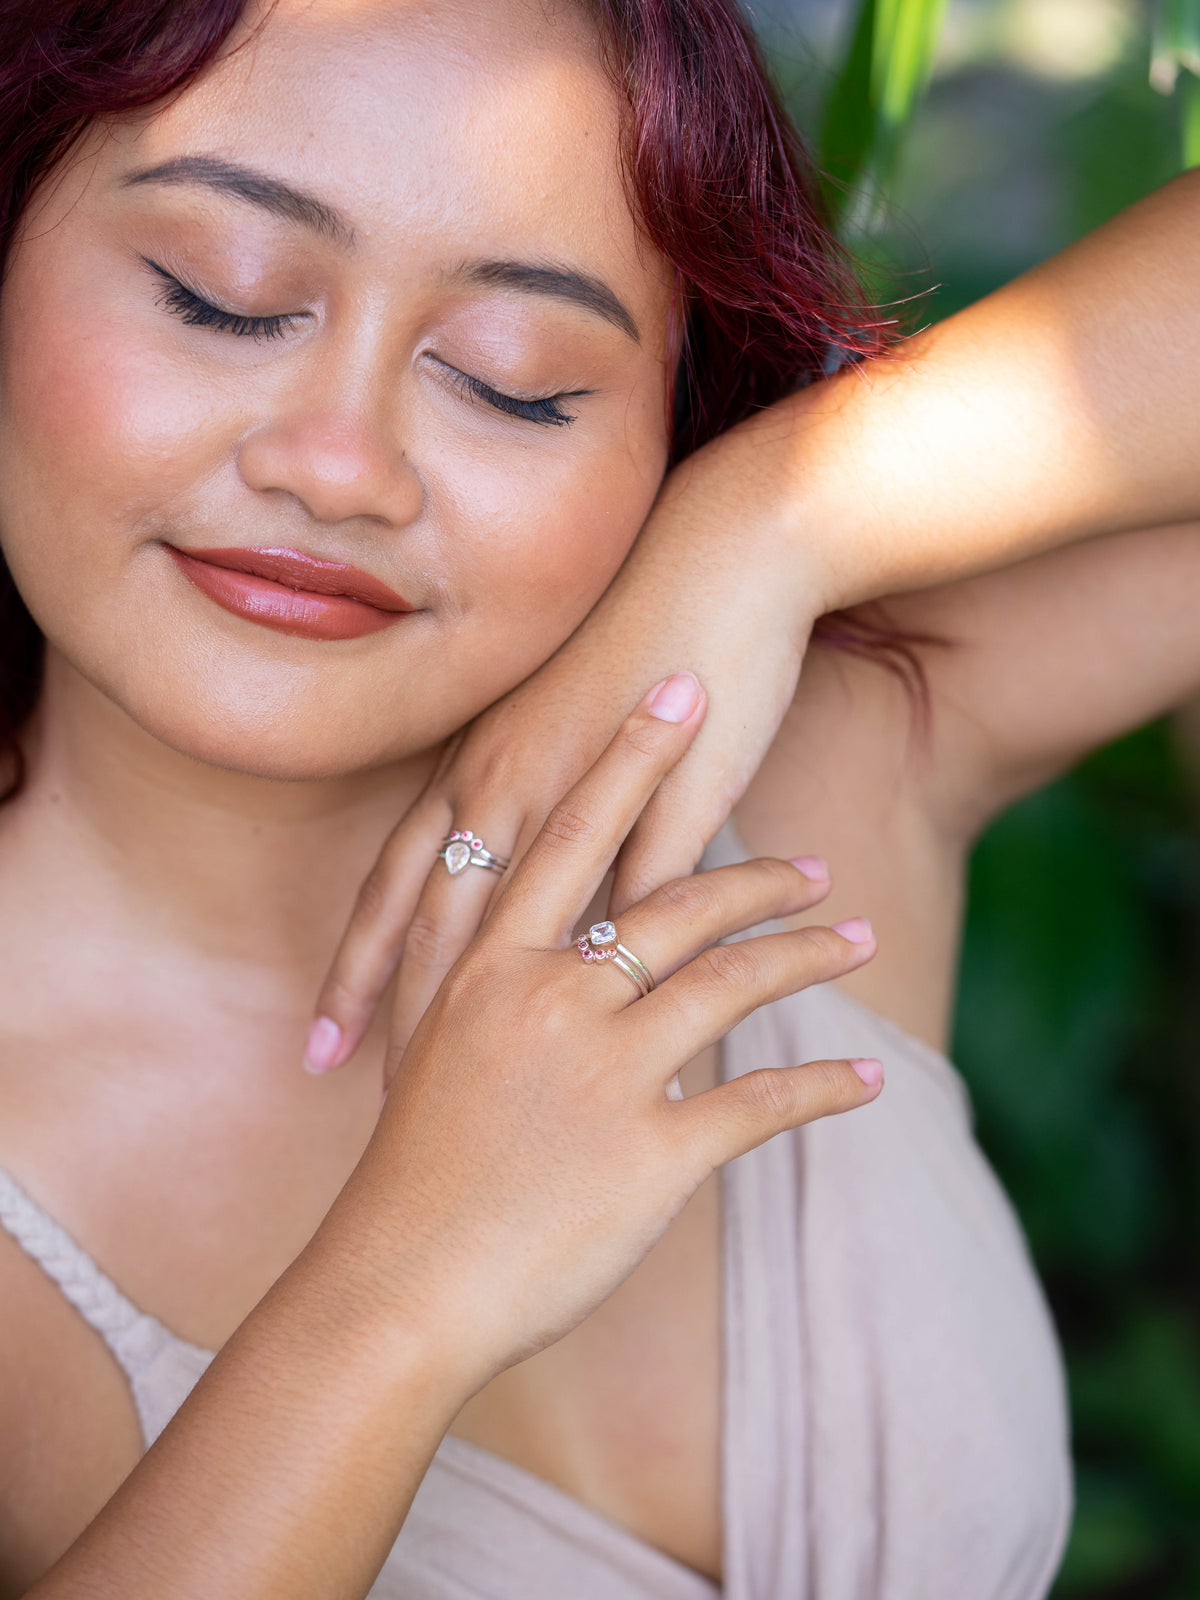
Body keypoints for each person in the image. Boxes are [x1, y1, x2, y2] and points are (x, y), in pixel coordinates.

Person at [1, 2, 1199, 1598]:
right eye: (220, 299)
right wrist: (408, 1288)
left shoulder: (806, 765)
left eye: (518, 382)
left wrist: (779, 517)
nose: (339, 463)